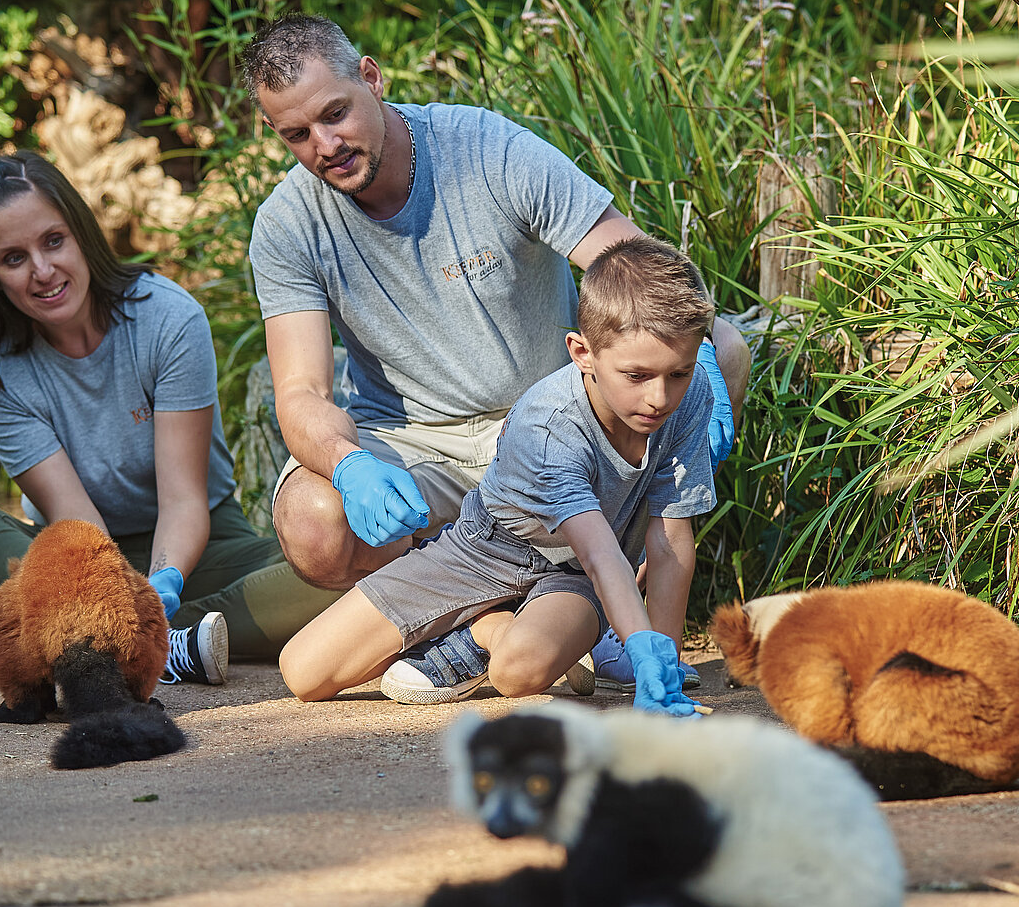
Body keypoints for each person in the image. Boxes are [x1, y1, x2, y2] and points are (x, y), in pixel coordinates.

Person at [238, 12, 747, 679]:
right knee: (311, 516)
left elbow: (625, 253)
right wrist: (347, 464)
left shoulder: (483, 149)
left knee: (727, 347)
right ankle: (490, 620)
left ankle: (622, 615)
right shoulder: (287, 224)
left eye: (336, 114)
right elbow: (301, 393)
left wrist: (700, 352)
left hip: (553, 424)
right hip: (421, 448)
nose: (325, 144)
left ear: (371, 78)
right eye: (297, 135)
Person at [278, 237, 712, 716]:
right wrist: (642, 644)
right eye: (636, 376)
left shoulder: (690, 398)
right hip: (487, 548)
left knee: (517, 674)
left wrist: (662, 663)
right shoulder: (549, 426)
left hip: (572, 576)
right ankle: (486, 624)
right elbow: (601, 553)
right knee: (305, 673)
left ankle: (524, 638)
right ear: (581, 352)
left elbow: (670, 535)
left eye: (679, 373)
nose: (659, 397)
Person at [0, 151, 336, 677]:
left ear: (82, 235)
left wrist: (155, 591)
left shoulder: (167, 319)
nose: (43, 271)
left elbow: (183, 500)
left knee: (342, 562)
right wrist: (105, 590)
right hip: (76, 561)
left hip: (192, 550)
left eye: (53, 241)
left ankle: (139, 639)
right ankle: (154, 642)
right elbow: (75, 521)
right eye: (13, 258)